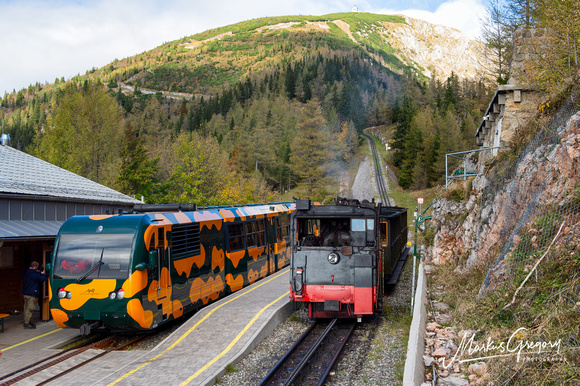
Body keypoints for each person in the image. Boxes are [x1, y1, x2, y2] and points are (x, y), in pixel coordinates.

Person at [22, 261, 47, 329]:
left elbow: (33, 274)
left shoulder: (26, 272)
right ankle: (26, 323)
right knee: (30, 309)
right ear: (35, 267)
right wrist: (43, 274)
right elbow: (42, 279)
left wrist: (38, 272)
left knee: (26, 308)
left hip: (25, 293)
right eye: (37, 267)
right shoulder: (34, 274)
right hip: (31, 293)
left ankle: (27, 320)